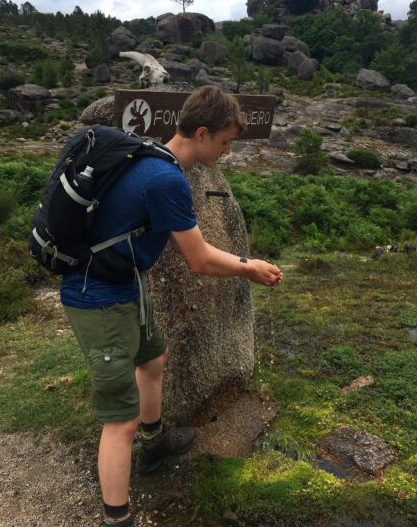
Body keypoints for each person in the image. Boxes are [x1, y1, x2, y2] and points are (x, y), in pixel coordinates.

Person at [60, 85, 283, 527]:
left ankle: (155, 440)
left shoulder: (152, 156)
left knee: (154, 357)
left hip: (126, 285)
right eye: (224, 142)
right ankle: (117, 517)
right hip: (97, 295)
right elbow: (198, 259)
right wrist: (249, 267)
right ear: (202, 133)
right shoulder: (166, 179)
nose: (228, 151)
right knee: (117, 420)